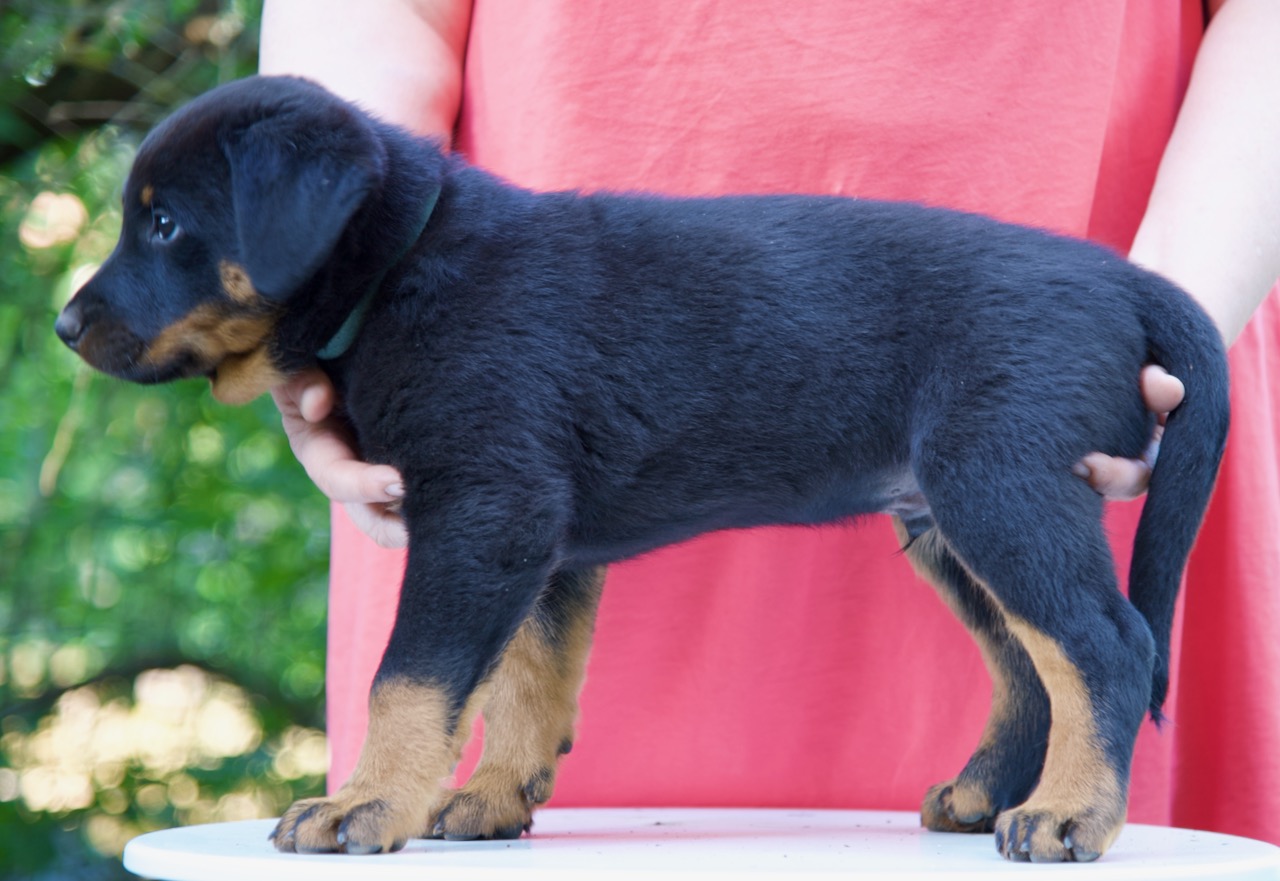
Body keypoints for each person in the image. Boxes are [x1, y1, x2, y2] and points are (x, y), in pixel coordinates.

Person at [259, 0, 1280, 843]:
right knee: (509, 534)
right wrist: (334, 283)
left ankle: (1078, 773)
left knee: (1012, 544)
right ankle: (507, 764)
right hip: (497, 306)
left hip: (1064, 286)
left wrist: (1158, 313)